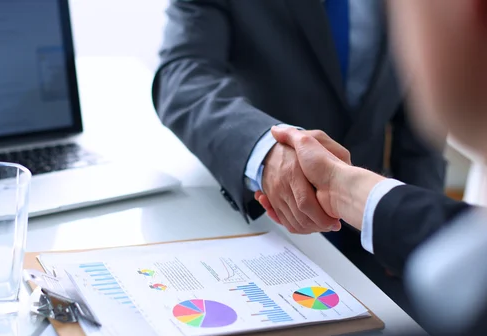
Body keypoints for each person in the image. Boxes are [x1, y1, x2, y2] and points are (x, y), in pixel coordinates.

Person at [181, 0, 487, 336]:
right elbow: (183, 71)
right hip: (272, 228)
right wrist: (271, 153)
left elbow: (417, 133)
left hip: (384, 262)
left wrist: (411, 256)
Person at [152, 0, 446, 240]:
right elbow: (182, 77)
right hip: (266, 226)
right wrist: (264, 150)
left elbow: (421, 119)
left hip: (377, 230)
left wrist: (418, 225)